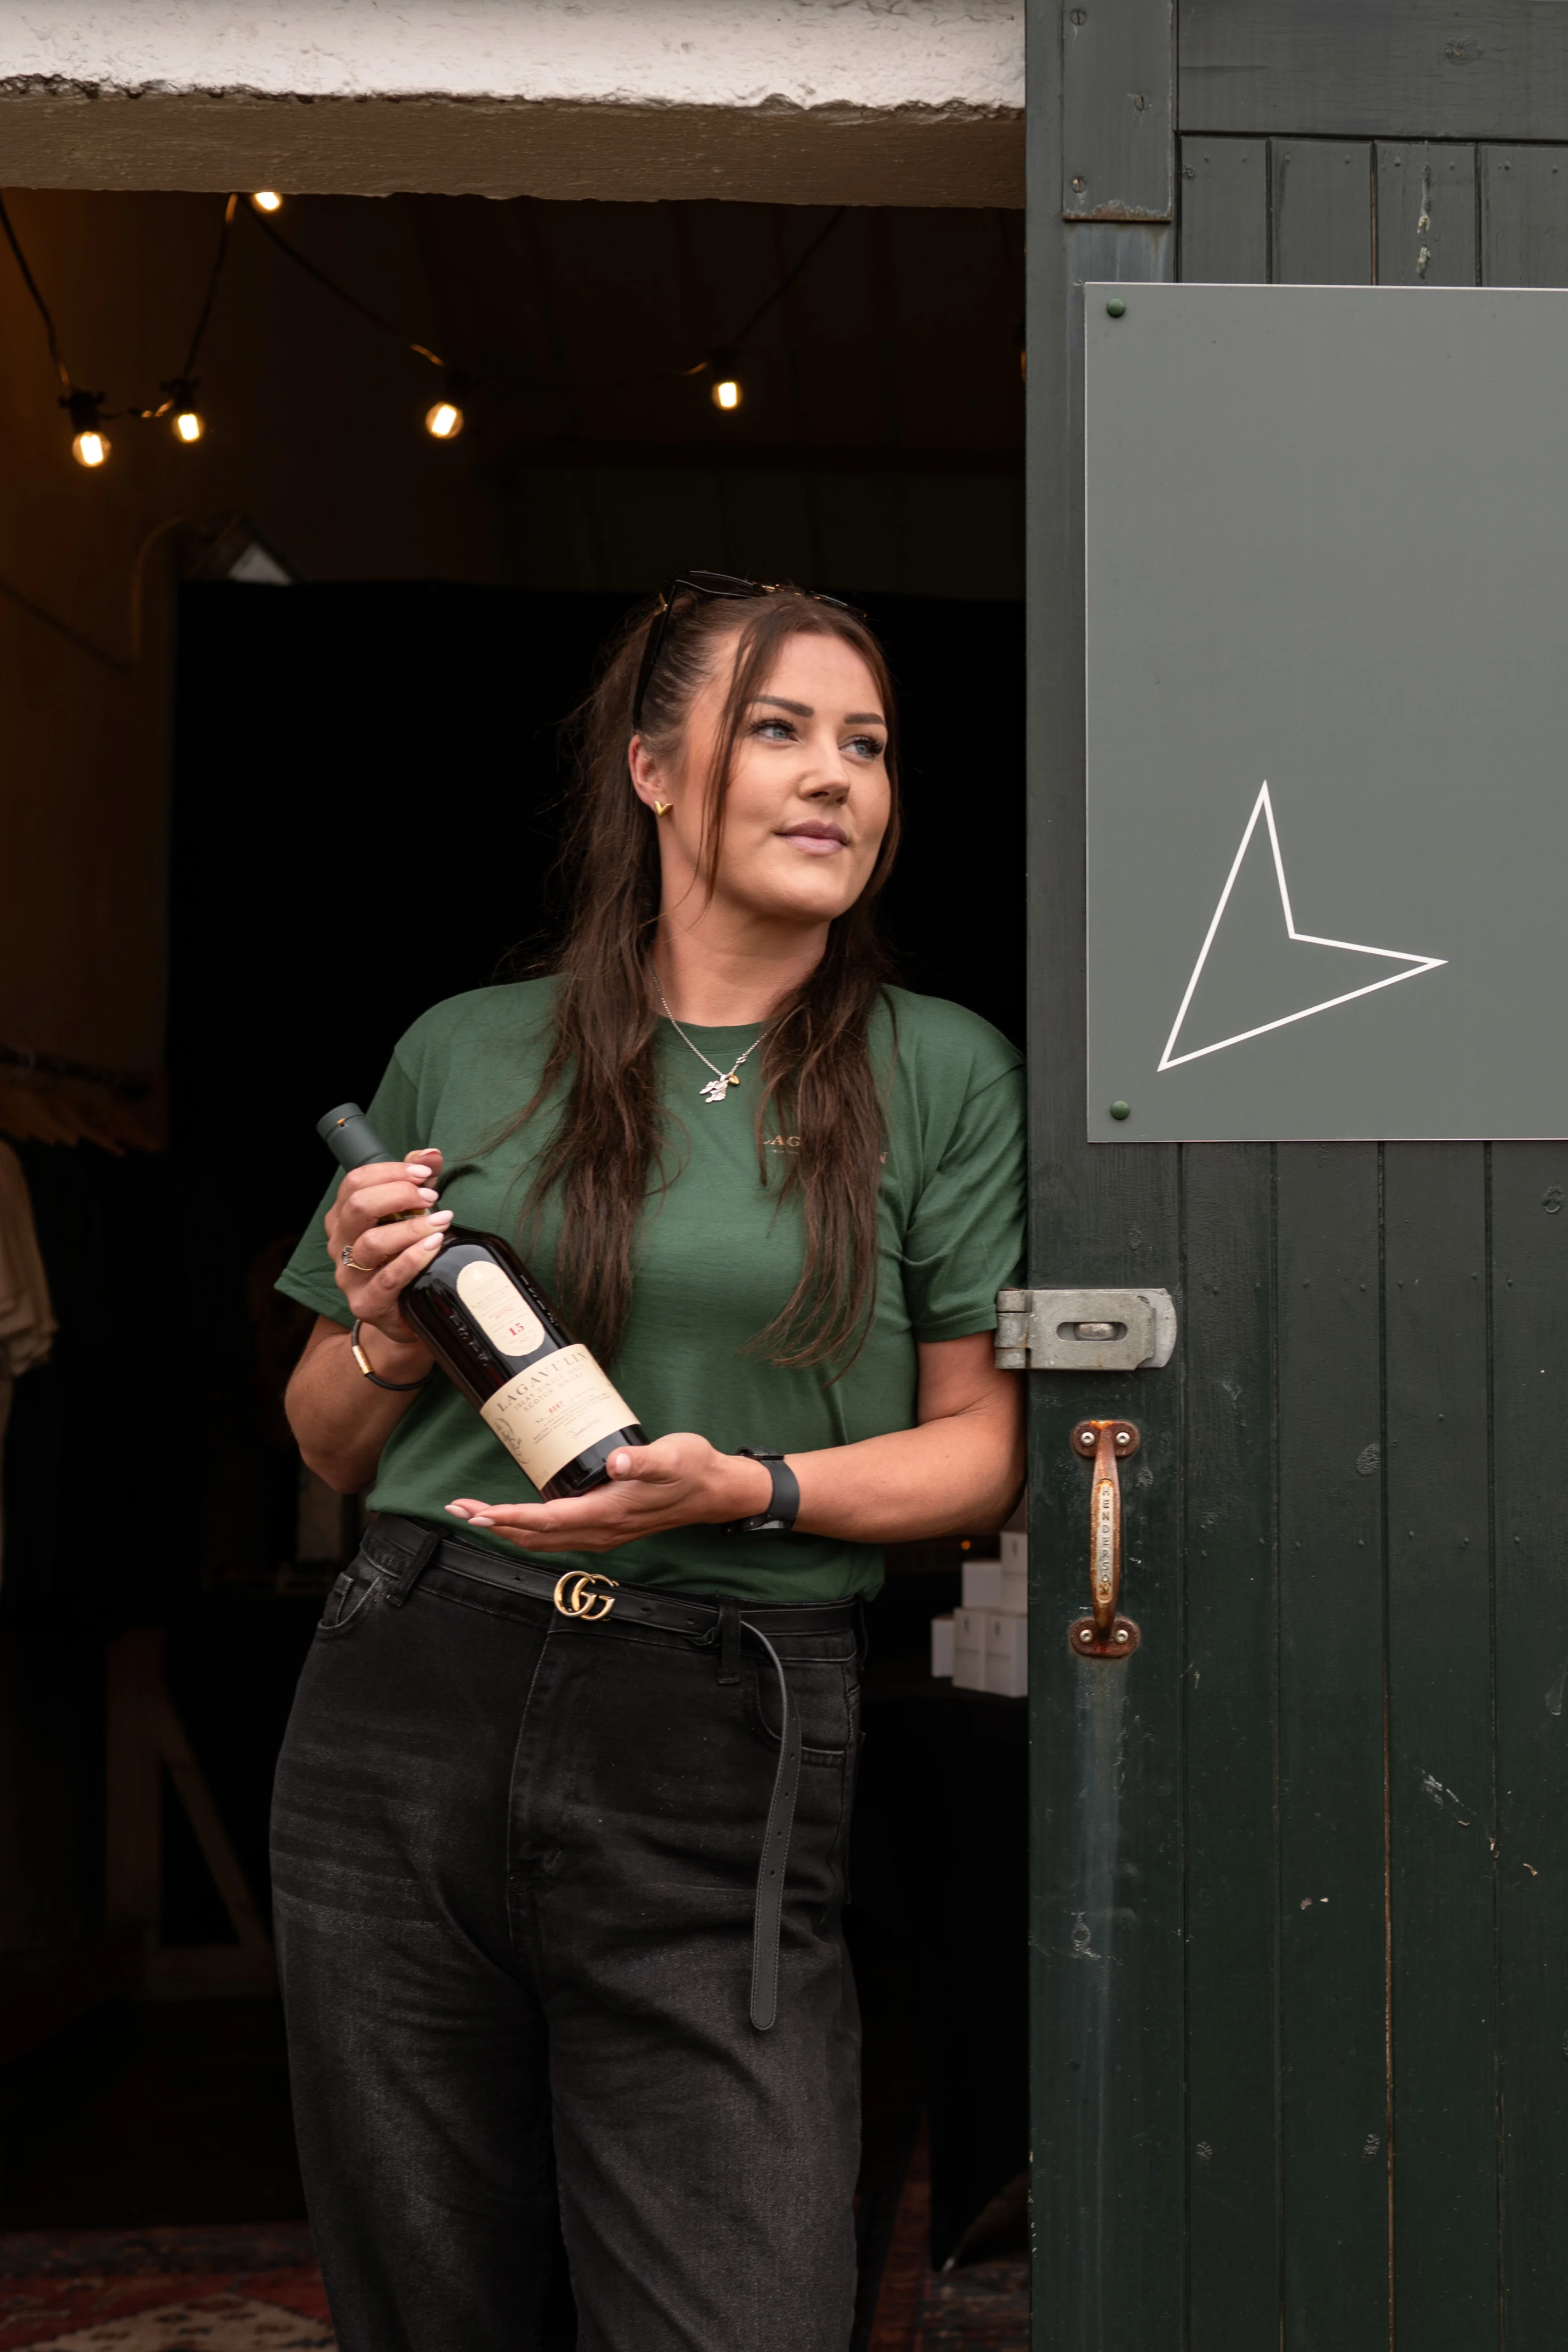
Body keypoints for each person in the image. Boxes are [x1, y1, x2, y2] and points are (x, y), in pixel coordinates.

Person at [272, 570, 1025, 2352]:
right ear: (653, 770)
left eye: (869, 744)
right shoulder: (469, 1044)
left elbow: (984, 1457)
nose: (836, 776)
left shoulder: (942, 1075)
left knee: (738, 2308)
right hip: (412, 1702)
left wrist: (748, 1488)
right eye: (779, 730)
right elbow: (322, 1430)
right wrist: (384, 1322)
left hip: (729, 1719)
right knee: (435, 2306)